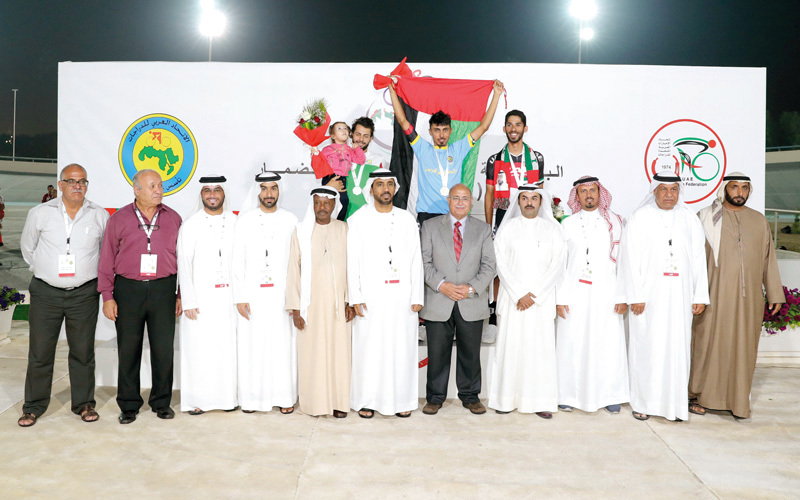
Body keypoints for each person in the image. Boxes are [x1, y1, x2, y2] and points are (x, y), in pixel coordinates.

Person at [18, 164, 109, 427]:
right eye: (71, 181)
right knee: (40, 352)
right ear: (60, 185)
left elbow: (104, 252)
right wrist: (46, 271)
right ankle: (33, 406)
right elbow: (28, 248)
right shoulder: (40, 213)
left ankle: (84, 403)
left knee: (83, 351)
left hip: (84, 294)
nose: (77, 186)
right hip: (46, 293)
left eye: (82, 181)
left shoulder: (99, 215)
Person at [690, 172, 783, 419]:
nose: (739, 192)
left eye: (744, 188)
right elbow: (694, 260)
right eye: (734, 187)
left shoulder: (759, 221)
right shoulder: (706, 217)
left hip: (748, 298)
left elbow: (768, 259)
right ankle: (698, 395)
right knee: (708, 344)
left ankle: (737, 401)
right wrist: (694, 294)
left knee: (743, 348)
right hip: (713, 294)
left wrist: (774, 292)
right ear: (725, 189)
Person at [618, 173, 709, 422]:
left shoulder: (689, 218)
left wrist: (699, 295)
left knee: (677, 350)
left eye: (674, 190)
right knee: (647, 348)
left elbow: (699, 259)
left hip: (680, 297)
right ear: (654, 192)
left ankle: (674, 406)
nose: (669, 195)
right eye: (664, 190)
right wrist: (635, 295)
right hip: (647, 299)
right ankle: (643, 402)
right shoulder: (639, 217)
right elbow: (629, 258)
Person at [98, 168, 183, 424]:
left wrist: (180, 294)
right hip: (128, 290)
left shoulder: (174, 218)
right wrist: (107, 296)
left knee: (163, 349)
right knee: (128, 349)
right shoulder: (119, 219)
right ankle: (129, 404)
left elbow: (184, 261)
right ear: (137, 190)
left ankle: (161, 402)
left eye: (160, 185)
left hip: (163, 289)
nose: (159, 190)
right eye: (152, 186)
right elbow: (106, 259)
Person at [348, 169, 424, 418]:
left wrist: (417, 296)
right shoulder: (358, 220)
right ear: (371, 189)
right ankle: (367, 400)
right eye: (380, 184)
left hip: (402, 296)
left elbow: (416, 260)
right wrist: (355, 296)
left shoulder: (406, 219)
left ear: (395, 188)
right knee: (369, 349)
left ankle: (401, 401)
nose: (385, 189)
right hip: (370, 297)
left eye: (390, 184)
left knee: (401, 348)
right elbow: (352, 261)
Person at [489, 185, 565, 418]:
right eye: (524, 198)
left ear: (541, 202)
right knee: (511, 349)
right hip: (514, 302)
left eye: (534, 198)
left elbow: (558, 265)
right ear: (518, 201)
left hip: (540, 302)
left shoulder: (553, 230)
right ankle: (505, 400)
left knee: (539, 353)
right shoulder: (507, 228)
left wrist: (535, 294)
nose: (529, 202)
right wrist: (519, 293)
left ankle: (540, 402)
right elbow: (500, 263)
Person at [420, 184, 496, 415]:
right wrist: (442, 285)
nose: (460, 202)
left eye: (465, 198)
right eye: (456, 198)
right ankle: (434, 398)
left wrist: (471, 288)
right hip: (438, 299)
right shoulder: (430, 226)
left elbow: (489, 265)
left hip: (470, 301)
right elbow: (423, 262)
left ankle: (470, 396)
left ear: (471, 202)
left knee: (470, 354)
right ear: (448, 200)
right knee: (437, 353)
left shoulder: (483, 229)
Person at [555, 176, 629, 415]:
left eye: (593, 190)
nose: (588, 195)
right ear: (576, 196)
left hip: (606, 294)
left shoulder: (615, 222)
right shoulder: (567, 224)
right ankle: (568, 395)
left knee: (607, 344)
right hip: (574, 293)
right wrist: (560, 298)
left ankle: (610, 395)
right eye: (583, 191)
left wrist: (622, 296)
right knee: (572, 344)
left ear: (600, 193)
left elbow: (624, 263)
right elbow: (560, 265)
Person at [389, 78, 505, 224]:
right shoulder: (421, 147)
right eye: (437, 130)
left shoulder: (459, 148)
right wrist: (392, 91)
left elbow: (483, 127)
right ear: (430, 132)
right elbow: (402, 121)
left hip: (452, 215)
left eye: (445, 130)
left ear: (451, 131)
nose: (441, 135)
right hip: (426, 216)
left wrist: (496, 95)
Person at [285, 186, 355, 417]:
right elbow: (293, 271)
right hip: (310, 307)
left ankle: (339, 403)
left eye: (326, 203)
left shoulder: (344, 229)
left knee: (339, 354)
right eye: (318, 203)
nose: (322, 207)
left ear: (334, 205)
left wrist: (350, 301)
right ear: (312, 205)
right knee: (313, 354)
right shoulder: (301, 231)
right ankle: (315, 403)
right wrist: (295, 308)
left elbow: (353, 268)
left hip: (338, 306)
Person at [233, 171, 298, 414]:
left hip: (282, 295)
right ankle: (252, 399)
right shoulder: (245, 221)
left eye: (273, 188)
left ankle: (284, 396)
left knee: (282, 345)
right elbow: (237, 261)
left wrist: (294, 297)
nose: (269, 194)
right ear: (257, 192)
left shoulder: (291, 219)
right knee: (253, 345)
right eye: (264, 189)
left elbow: (296, 262)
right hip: (253, 295)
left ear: (279, 191)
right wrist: (240, 296)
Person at [177, 175, 238, 415]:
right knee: (199, 350)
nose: (212, 194)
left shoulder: (235, 222)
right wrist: (188, 300)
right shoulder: (191, 224)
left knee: (227, 349)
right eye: (207, 190)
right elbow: (183, 263)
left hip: (229, 299)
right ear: (201, 195)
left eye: (217, 190)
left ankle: (228, 399)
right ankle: (197, 400)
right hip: (200, 300)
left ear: (224, 194)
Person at [484, 110, 545, 232]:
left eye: (518, 125)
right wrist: (488, 229)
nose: (513, 129)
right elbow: (489, 195)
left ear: (525, 128)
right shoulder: (494, 160)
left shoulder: (537, 158)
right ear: (504, 128)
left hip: (529, 214)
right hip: (503, 214)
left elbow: (540, 193)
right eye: (509, 125)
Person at [325, 116, 386, 220]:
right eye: (358, 134)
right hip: (340, 217)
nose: (361, 139)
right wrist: (328, 186)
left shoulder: (378, 160)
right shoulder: (336, 155)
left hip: (368, 218)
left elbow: (383, 190)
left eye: (366, 136)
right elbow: (326, 182)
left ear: (371, 138)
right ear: (351, 134)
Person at [314, 121, 367, 221]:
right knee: (328, 200)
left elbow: (361, 160)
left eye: (345, 128)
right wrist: (315, 154)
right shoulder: (327, 149)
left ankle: (339, 222)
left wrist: (357, 149)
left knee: (344, 201)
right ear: (333, 136)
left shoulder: (350, 150)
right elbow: (319, 164)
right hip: (330, 177)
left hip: (343, 179)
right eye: (339, 128)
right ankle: (326, 222)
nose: (343, 130)